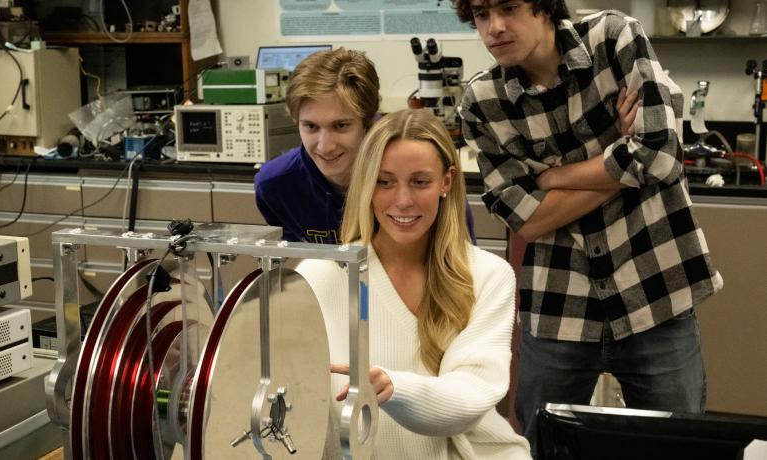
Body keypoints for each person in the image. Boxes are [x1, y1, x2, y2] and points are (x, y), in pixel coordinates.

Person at [453, 0, 724, 455]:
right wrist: (619, 153)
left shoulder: (613, 38)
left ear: (543, 7)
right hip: (560, 306)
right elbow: (525, 218)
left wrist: (551, 176)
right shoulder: (482, 104)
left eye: (509, 8)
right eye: (481, 14)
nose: (495, 27)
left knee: (678, 449)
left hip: (654, 289)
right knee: (544, 449)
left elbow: (659, 155)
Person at [298, 109, 531, 459]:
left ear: (446, 182)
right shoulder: (320, 276)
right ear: (365, 184)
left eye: (420, 182)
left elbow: (471, 396)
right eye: (385, 181)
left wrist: (395, 388)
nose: (403, 200)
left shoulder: (488, 276)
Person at [254, 48, 476, 244]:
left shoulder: (418, 165)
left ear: (368, 121)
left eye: (341, 126)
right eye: (310, 126)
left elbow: (462, 263)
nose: (325, 146)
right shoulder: (276, 185)